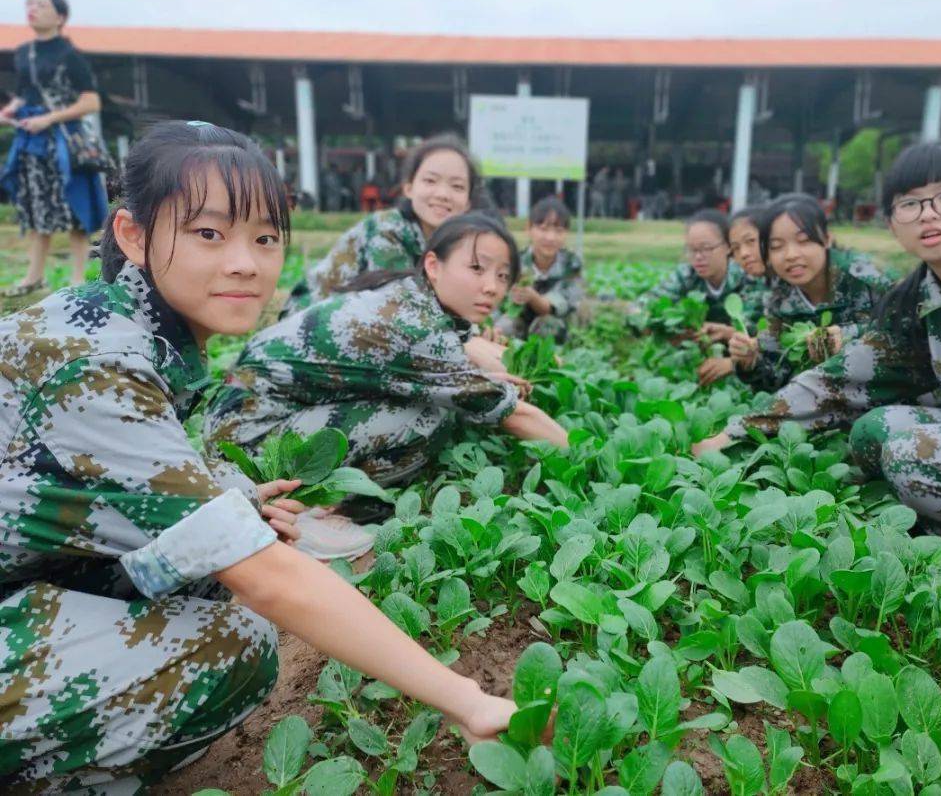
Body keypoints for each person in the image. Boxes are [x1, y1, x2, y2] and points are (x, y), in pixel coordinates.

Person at [0, 121, 517, 791]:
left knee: (206, 564)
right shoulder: (94, 364)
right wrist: (470, 702)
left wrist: (226, 499)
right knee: (231, 642)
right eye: (209, 233)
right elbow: (268, 581)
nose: (246, 262)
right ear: (132, 235)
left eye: (265, 238)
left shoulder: (129, 326)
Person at [695, 138, 941, 637]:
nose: (928, 214)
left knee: (916, 448)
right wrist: (734, 434)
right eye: (910, 204)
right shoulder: (916, 303)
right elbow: (838, 380)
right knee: (875, 432)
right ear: (894, 223)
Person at [204, 211, 569, 497]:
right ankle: (320, 505)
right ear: (433, 266)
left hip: (251, 415)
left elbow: (429, 375)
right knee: (430, 418)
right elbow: (514, 414)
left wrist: (476, 382)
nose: (492, 287)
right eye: (476, 268)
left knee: (439, 403)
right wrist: (583, 458)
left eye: (503, 276)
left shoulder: (413, 297)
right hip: (244, 445)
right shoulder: (417, 327)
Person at [282, 134, 478, 316]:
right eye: (430, 180)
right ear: (408, 188)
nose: (443, 194)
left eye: (457, 186)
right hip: (311, 322)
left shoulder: (456, 243)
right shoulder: (387, 227)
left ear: (468, 201)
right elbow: (401, 309)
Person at [0, 0, 108, 295]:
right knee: (36, 208)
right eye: (29, 4)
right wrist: (10, 110)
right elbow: (25, 94)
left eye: (41, 4)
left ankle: (76, 279)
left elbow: (90, 103)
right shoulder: (24, 54)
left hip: (65, 142)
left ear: (59, 17)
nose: (32, 9)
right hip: (32, 142)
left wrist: (48, 118)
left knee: (75, 207)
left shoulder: (70, 56)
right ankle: (33, 276)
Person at [727, 193, 893, 391]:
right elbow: (778, 379)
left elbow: (912, 336)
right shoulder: (778, 299)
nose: (791, 255)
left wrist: (849, 336)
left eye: (804, 240)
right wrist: (750, 363)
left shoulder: (868, 278)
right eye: (777, 246)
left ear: (827, 239)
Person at [637, 209, 758, 386]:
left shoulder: (748, 278)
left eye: (706, 248)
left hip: (744, 361)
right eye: (692, 250)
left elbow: (757, 331)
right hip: (696, 359)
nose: (698, 257)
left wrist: (727, 335)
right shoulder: (685, 276)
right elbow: (646, 303)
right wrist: (657, 325)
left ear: (727, 247)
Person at [494, 196, 583, 343]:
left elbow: (559, 306)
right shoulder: (514, 261)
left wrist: (532, 297)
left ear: (566, 233)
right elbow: (499, 304)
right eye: (543, 229)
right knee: (504, 326)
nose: (550, 237)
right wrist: (512, 299)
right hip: (518, 320)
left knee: (546, 325)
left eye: (558, 231)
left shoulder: (571, 263)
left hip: (554, 323)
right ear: (529, 228)